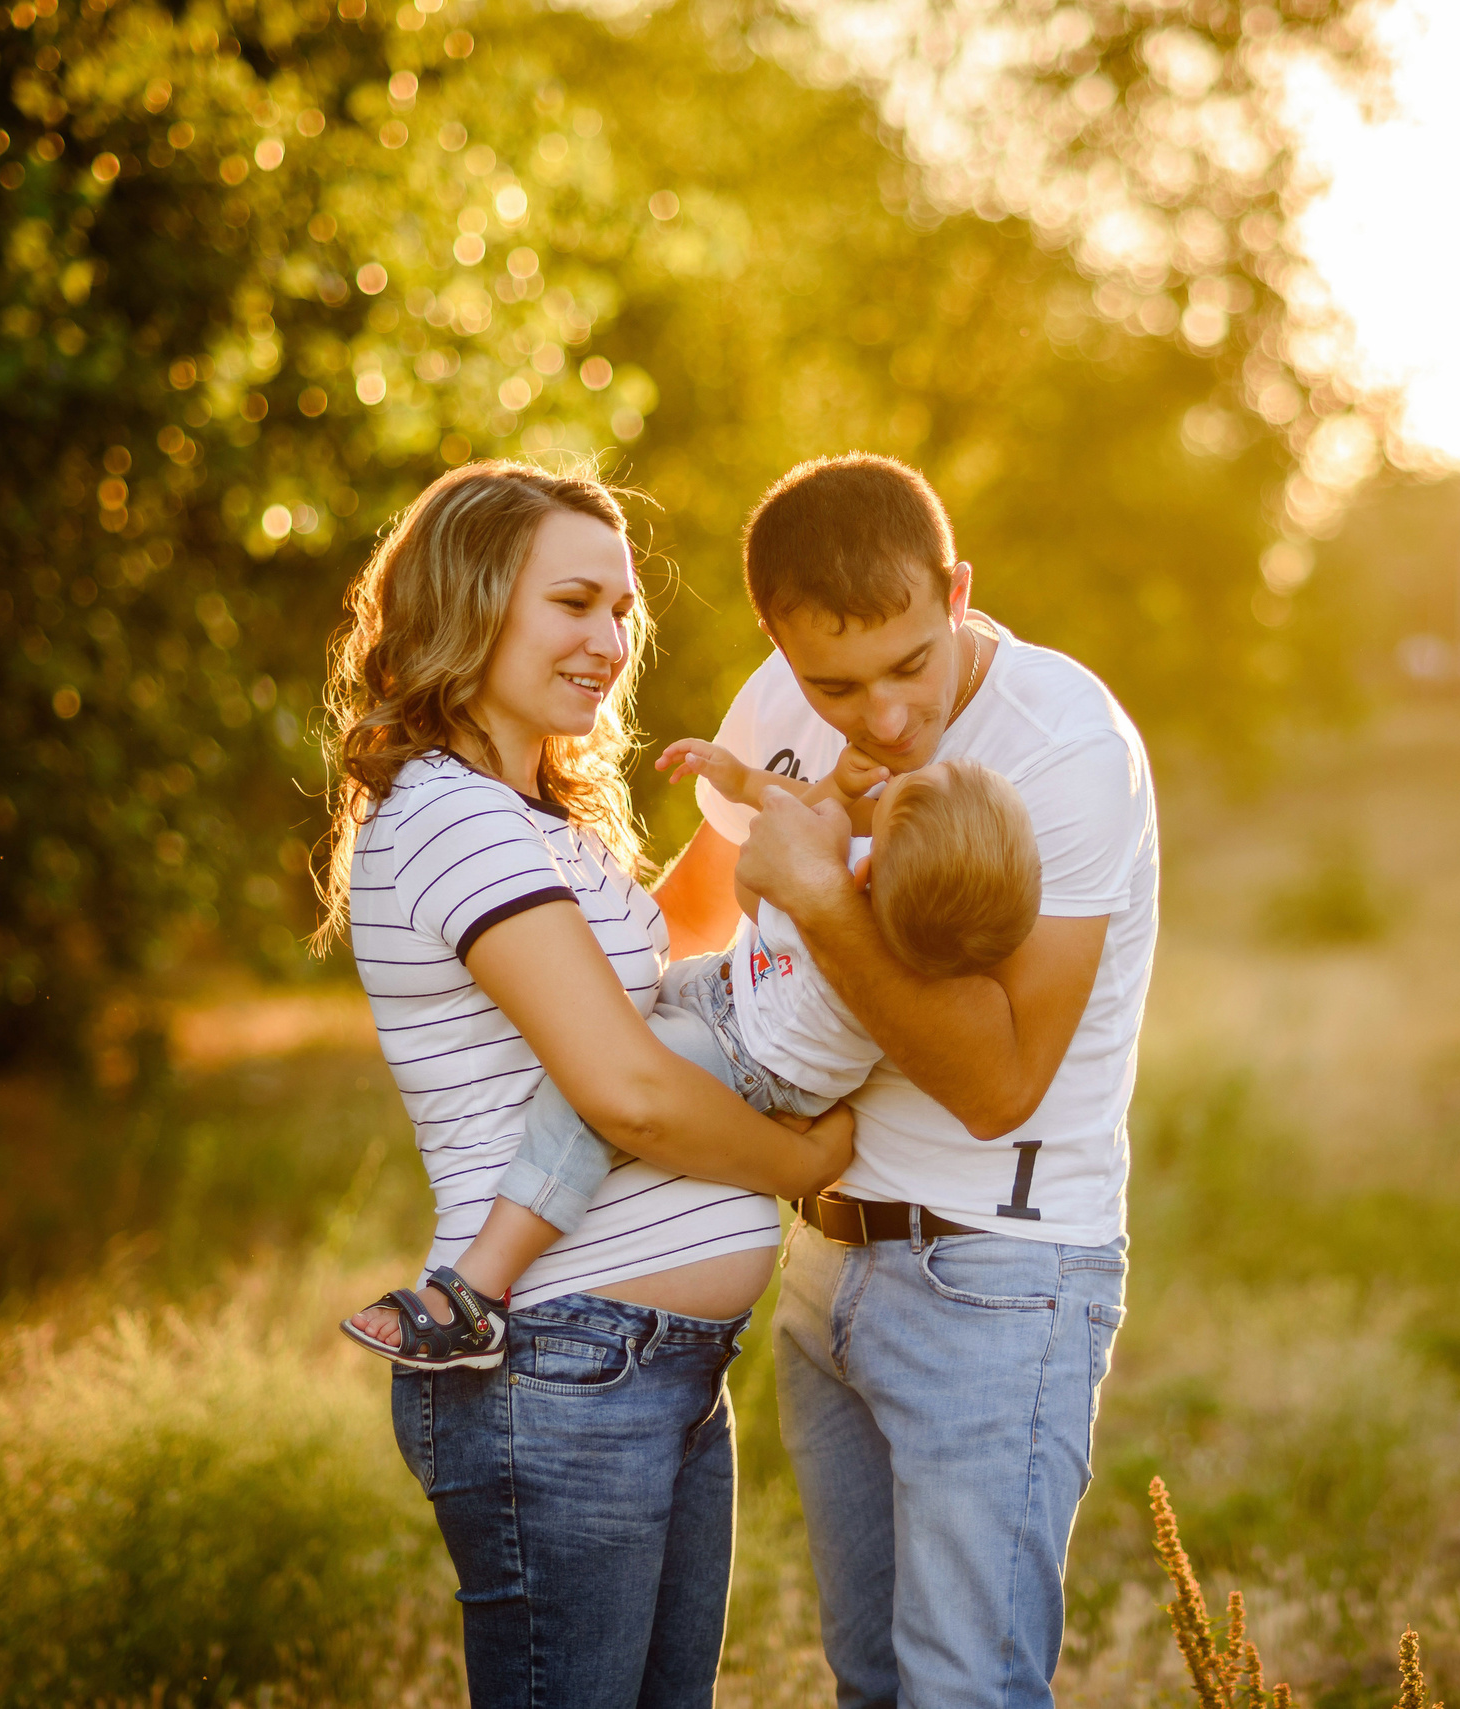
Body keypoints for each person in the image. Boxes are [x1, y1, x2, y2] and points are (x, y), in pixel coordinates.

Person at [314, 459, 853, 1708]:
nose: (608, 641)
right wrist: (801, 1167)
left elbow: (661, 976)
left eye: (620, 611)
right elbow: (625, 1087)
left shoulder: (538, 818)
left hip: (651, 1366)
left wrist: (773, 820)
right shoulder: (450, 816)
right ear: (472, 599)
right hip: (560, 1366)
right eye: (572, 603)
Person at [656, 453, 1161, 1707]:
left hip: (997, 1274)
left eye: (909, 664)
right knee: (871, 1685)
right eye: (836, 682)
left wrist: (827, 900)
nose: (879, 717)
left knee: (964, 1691)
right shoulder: (777, 696)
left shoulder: (1066, 751)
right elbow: (690, 915)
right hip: (823, 1261)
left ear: (956, 591)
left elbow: (1000, 1081)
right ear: (777, 636)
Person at [371, 746, 1039, 1320]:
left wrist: (830, 805)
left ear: (866, 875)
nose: (885, 783)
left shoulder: (839, 925)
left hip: (742, 1052)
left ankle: (477, 1286)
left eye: (889, 801)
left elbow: (755, 882)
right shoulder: (902, 938)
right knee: (604, 1015)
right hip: (728, 999)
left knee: (590, 1095)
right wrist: (766, 787)